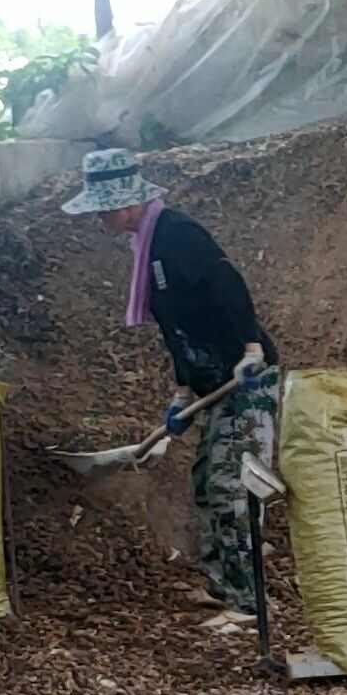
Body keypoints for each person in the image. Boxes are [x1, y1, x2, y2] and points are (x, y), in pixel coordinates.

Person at [73, 144, 278, 623]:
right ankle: (224, 588)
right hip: (211, 383)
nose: (98, 219)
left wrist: (251, 349)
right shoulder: (147, 247)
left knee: (232, 487)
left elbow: (229, 286)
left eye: (101, 209)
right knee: (207, 482)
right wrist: (182, 390)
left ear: (123, 204)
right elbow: (176, 327)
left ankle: (249, 604)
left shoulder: (176, 235)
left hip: (245, 379)